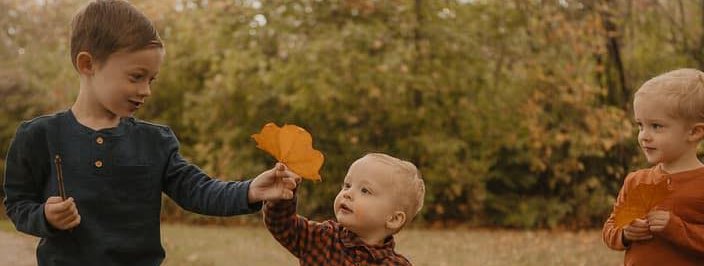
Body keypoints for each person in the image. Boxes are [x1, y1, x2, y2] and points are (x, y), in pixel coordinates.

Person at [3, 1, 297, 265]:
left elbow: (197, 190)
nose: (146, 90)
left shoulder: (155, 142)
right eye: (136, 77)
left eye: (151, 79)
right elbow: (18, 204)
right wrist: (44, 217)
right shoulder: (38, 136)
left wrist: (249, 191)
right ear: (88, 64)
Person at [602, 68, 704, 265]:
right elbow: (610, 228)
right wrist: (625, 233)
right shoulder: (636, 181)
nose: (644, 135)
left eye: (656, 126)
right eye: (640, 125)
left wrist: (675, 228)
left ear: (694, 132)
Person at [265, 153, 426, 265]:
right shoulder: (322, 238)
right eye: (347, 185)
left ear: (393, 219)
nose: (348, 193)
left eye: (365, 190)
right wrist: (283, 196)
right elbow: (282, 225)